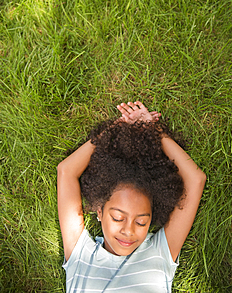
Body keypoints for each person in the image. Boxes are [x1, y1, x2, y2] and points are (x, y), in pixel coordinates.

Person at [57, 101, 206, 292]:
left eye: (142, 222)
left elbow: (196, 180)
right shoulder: (81, 256)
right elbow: (65, 171)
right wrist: (116, 129)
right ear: (100, 211)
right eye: (118, 217)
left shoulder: (159, 253)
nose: (129, 231)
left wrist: (155, 132)